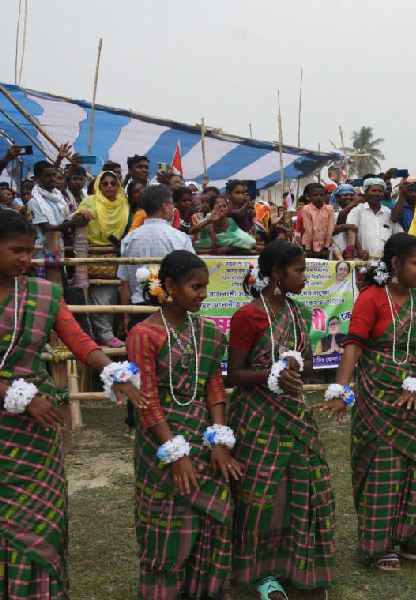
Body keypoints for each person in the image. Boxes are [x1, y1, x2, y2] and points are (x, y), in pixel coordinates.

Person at [0, 209, 142, 599]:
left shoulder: (43, 293)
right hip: (24, 412)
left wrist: (116, 374)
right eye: (16, 251)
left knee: (41, 517)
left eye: (30, 252)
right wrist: (17, 396)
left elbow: (78, 340)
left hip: (37, 428)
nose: (26, 260)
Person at [323, 233, 416, 572]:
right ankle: (381, 545)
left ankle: (414, 540)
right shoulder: (372, 298)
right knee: (383, 467)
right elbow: (354, 344)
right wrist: (340, 389)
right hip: (377, 394)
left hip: (414, 394)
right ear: (395, 264)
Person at [126, 251, 240, 599]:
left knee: (214, 519)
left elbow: (214, 390)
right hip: (160, 442)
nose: (203, 294)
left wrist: (220, 441)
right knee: (167, 523)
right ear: (170, 286)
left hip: (203, 437)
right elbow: (145, 400)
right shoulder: (144, 334)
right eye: (195, 287)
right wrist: (175, 454)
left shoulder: (207, 331)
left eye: (206, 287)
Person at [226, 241, 336, 599]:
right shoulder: (249, 316)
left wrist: (295, 368)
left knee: (305, 484)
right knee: (262, 495)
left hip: (294, 411)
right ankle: (262, 574)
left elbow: (309, 362)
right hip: (256, 417)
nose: (304, 277)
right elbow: (234, 375)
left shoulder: (300, 312)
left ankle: (301, 564)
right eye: (299, 270)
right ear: (276, 274)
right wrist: (269, 374)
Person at [72, 170, 131, 347]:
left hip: (118, 257)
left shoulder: (125, 204)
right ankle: (105, 335)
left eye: (113, 183)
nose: (109, 187)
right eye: (104, 184)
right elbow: (78, 216)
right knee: (101, 297)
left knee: (114, 298)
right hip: (96, 257)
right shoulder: (91, 201)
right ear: (98, 185)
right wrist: (82, 214)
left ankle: (109, 334)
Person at [118, 185, 195, 306]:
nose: (173, 208)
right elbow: (192, 275)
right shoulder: (180, 238)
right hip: (171, 307)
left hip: (138, 307)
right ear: (165, 206)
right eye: (171, 204)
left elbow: (124, 284)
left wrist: (126, 316)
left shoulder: (129, 239)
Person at [346, 178, 402, 259]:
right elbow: (351, 231)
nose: (377, 194)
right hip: (363, 261)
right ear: (366, 192)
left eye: (380, 191)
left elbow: (398, 234)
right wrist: (359, 250)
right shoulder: (358, 211)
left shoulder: (388, 212)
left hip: (384, 262)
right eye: (374, 190)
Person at [29, 162, 73, 251]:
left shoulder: (59, 198)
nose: (53, 179)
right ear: (37, 179)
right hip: (41, 250)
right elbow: (47, 228)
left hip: (58, 247)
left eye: (54, 175)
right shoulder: (34, 201)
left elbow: (64, 219)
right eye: (48, 176)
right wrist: (72, 223)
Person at [299, 182, 336, 259]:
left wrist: (326, 246)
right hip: (309, 245)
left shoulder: (329, 209)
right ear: (309, 197)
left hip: (325, 244)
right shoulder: (306, 209)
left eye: (321, 195)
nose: (319, 197)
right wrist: (308, 248)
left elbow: (330, 228)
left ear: (325, 196)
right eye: (315, 195)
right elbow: (308, 229)